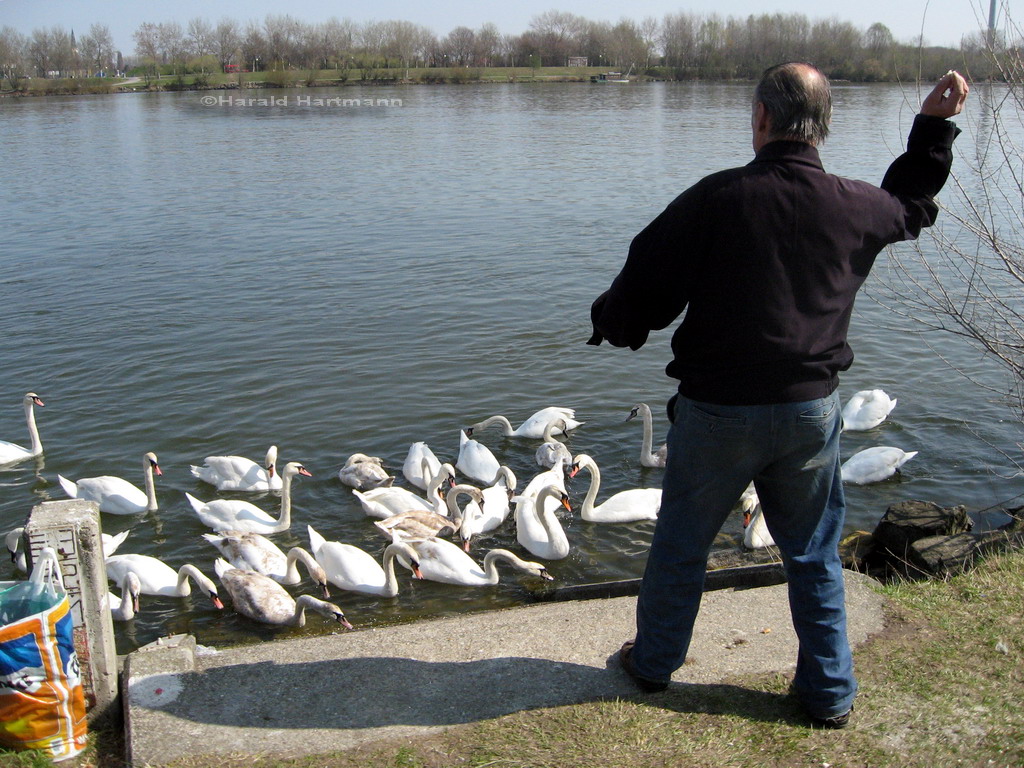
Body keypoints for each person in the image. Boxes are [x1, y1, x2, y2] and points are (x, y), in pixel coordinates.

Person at [587, 62, 968, 727]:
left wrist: (616, 323)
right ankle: (828, 693)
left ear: (761, 119)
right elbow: (909, 208)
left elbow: (644, 281)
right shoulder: (854, 205)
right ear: (823, 127)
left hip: (716, 415)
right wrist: (934, 127)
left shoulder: (717, 198)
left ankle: (652, 665)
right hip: (809, 414)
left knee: (680, 546)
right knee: (814, 554)